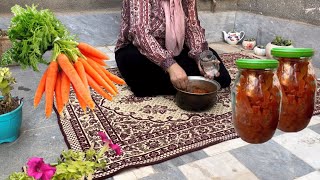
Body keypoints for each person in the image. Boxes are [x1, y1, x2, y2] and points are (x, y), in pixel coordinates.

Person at [115, 0, 231, 97]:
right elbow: (139, 34)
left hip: (174, 48)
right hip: (139, 50)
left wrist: (201, 57)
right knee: (133, 61)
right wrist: (170, 65)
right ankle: (180, 80)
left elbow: (192, 27)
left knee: (220, 75)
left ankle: (175, 82)